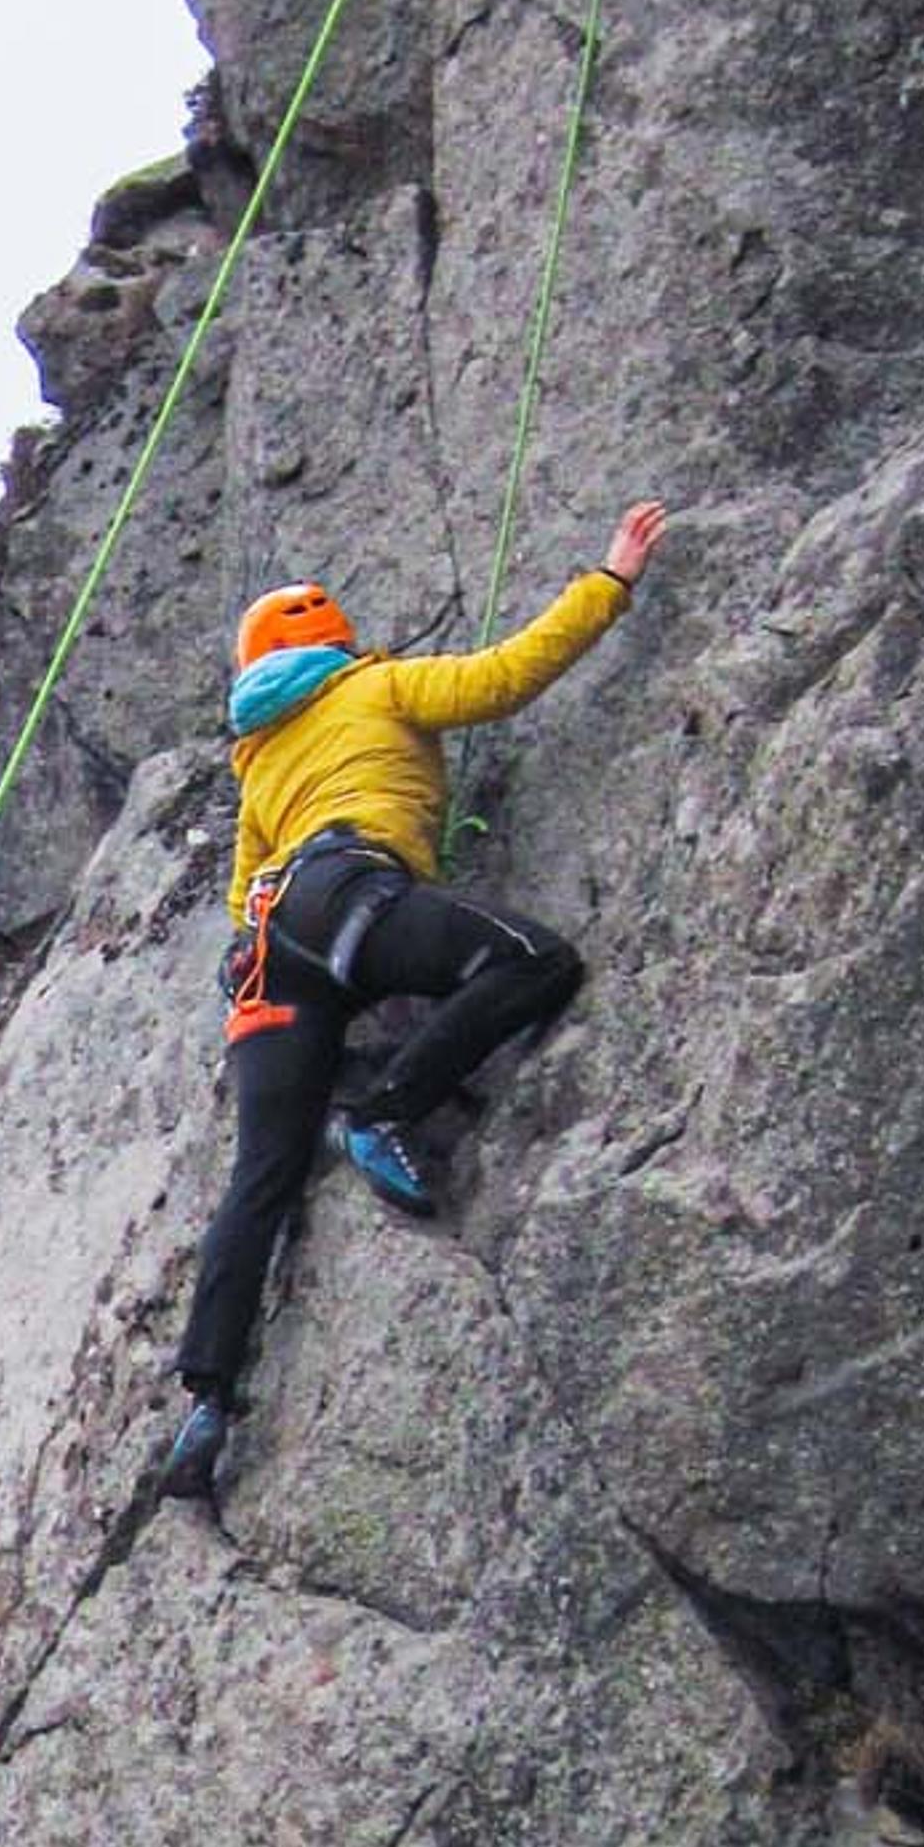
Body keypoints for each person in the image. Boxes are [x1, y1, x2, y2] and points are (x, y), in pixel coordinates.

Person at [163, 501, 669, 1503]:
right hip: (356, 891)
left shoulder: (260, 759)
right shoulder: (378, 686)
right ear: (333, 643)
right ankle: (387, 1110)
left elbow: (238, 895)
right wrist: (608, 583)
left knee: (260, 1177)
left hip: (271, 951)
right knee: (537, 960)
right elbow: (504, 677)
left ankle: (207, 1402)